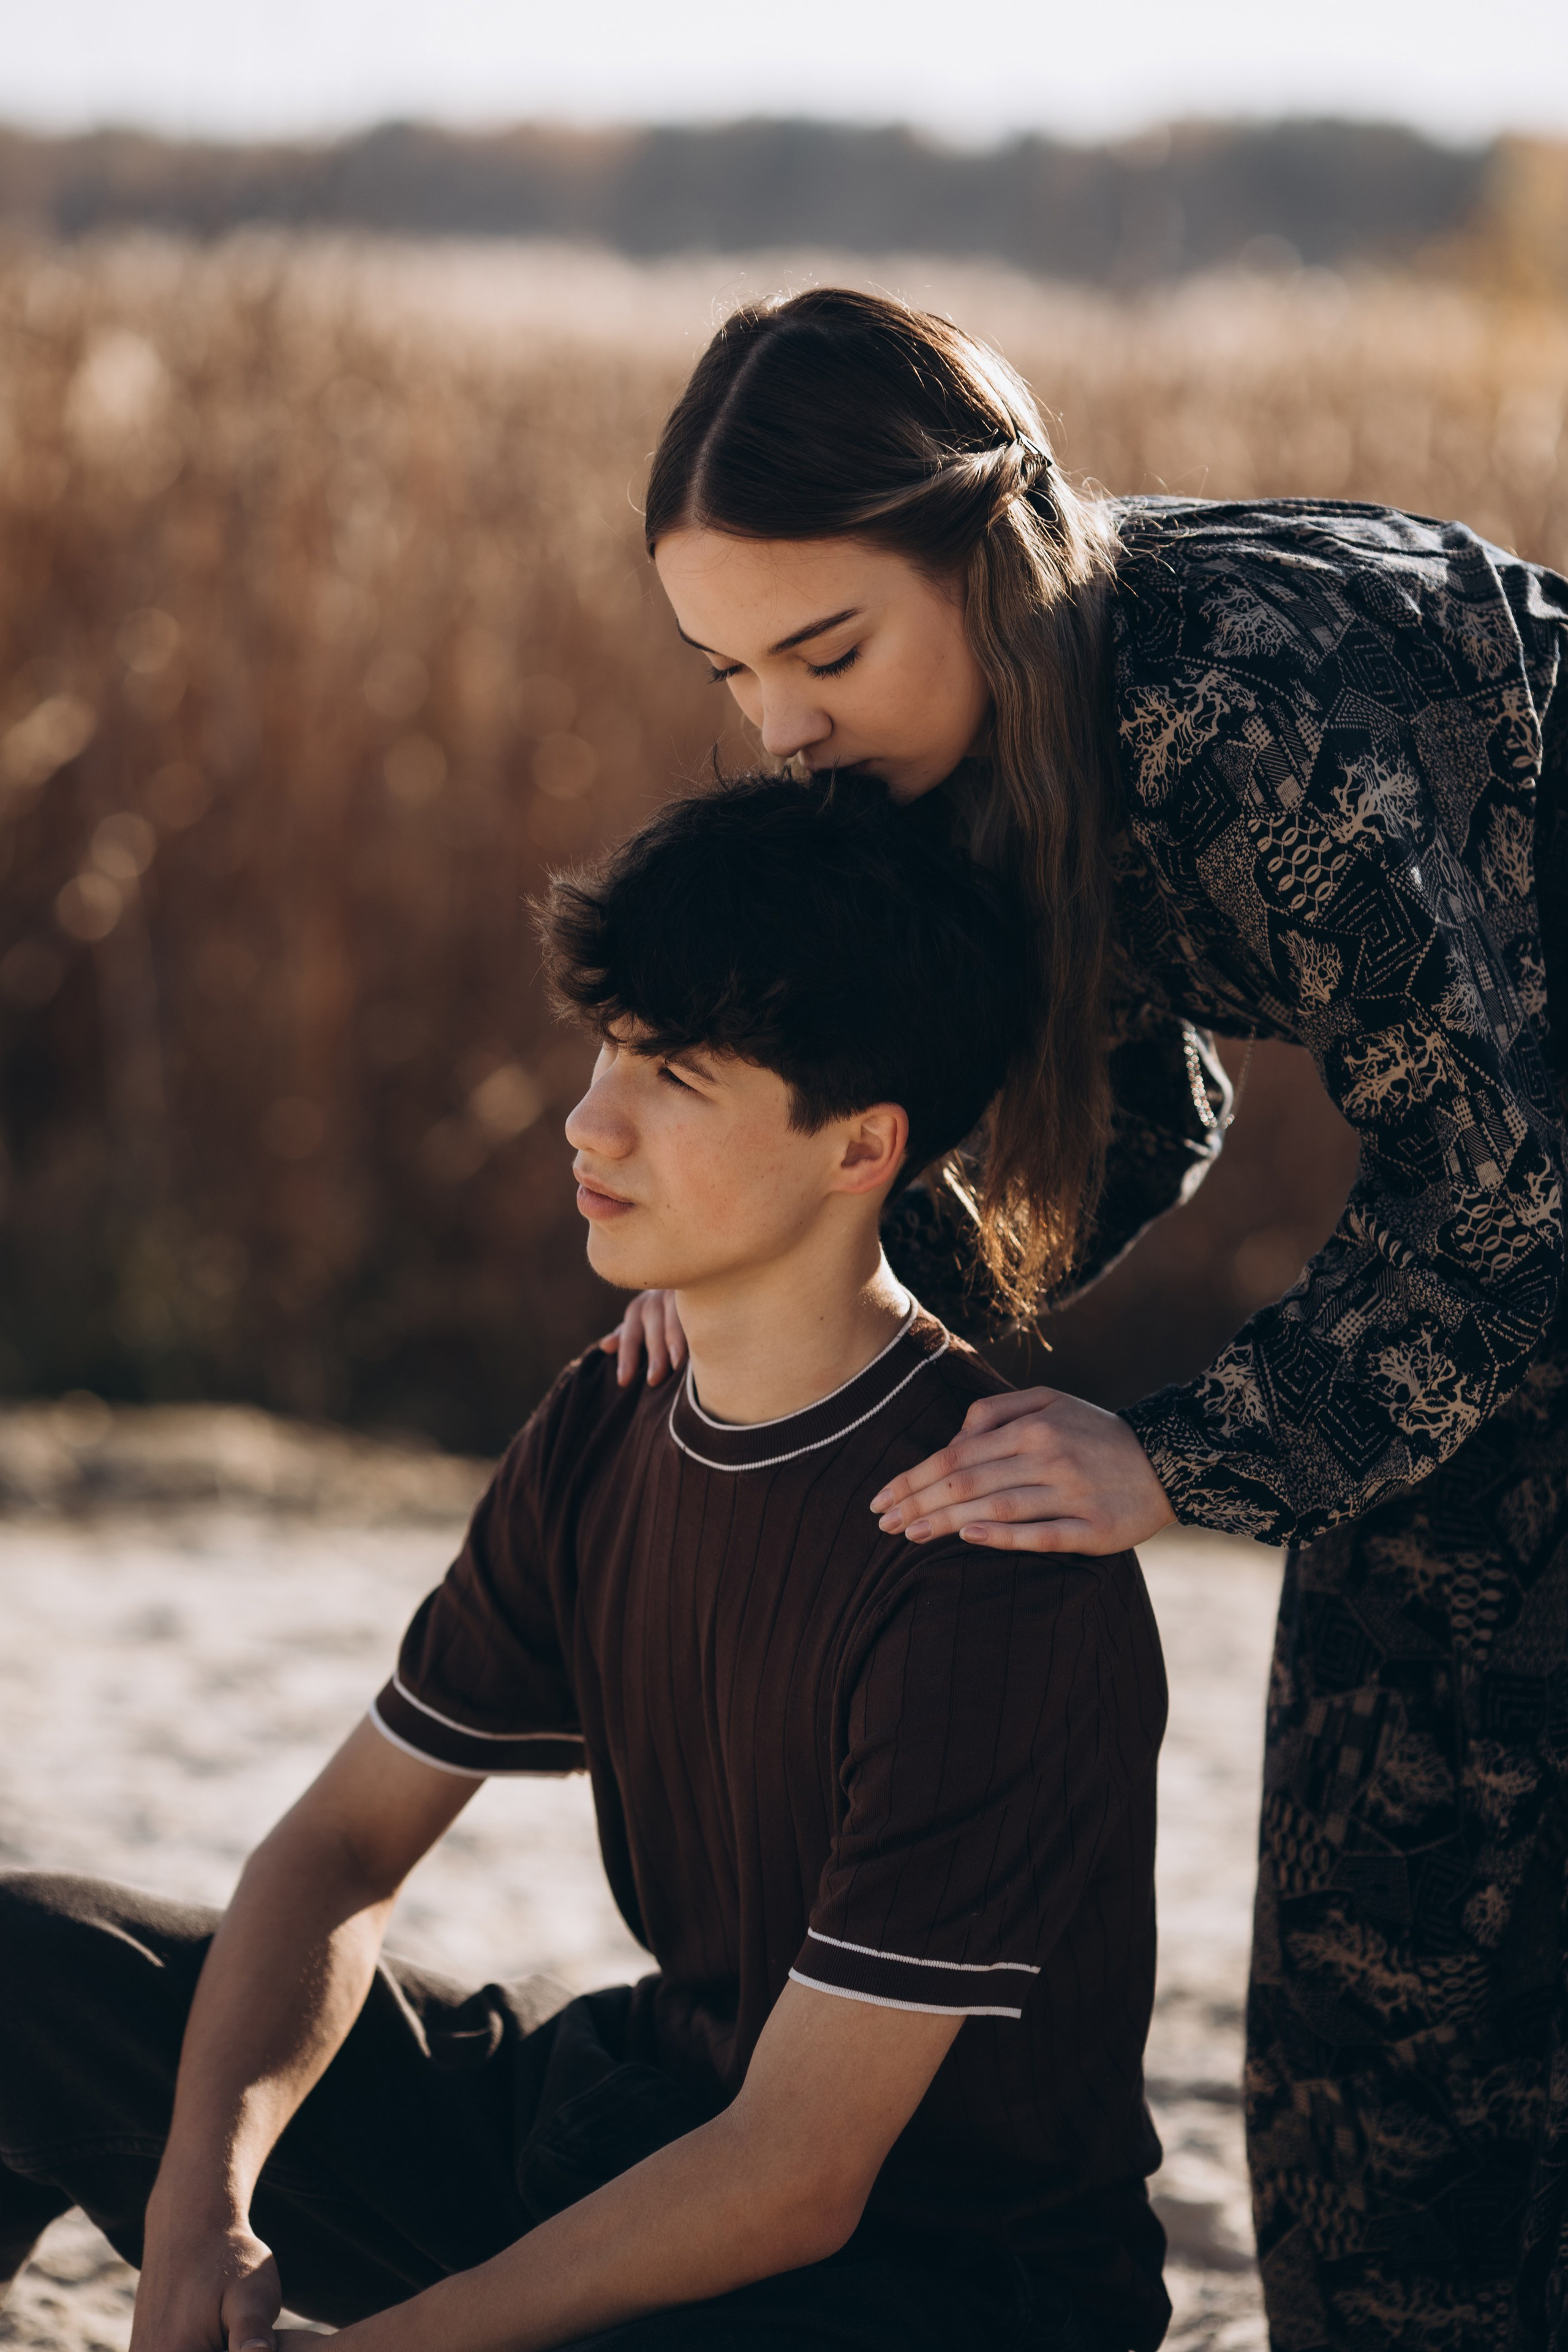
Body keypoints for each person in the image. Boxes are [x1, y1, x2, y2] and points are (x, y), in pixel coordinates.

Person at [606, 287, 1568, 2348]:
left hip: (1530, 1206)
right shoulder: (977, 750)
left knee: (1444, 1950)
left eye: (827, 650)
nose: (781, 726)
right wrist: (812, 1328)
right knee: (1377, 2006)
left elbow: (1502, 1183)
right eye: (733, 669)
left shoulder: (1241, 717)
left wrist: (1179, 1453)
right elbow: (1146, 1106)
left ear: (991, 550)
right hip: (1519, 1241)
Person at [0, 775, 1171, 2352]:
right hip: (628, 2129)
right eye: (609, 1046)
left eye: (676, 1075)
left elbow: (798, 2176)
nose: (589, 1119)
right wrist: (200, 2206)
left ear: (860, 1148)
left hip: (918, 2280)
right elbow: (340, 1851)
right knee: (25, 1966)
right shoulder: (610, 1417)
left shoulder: (986, 1543)